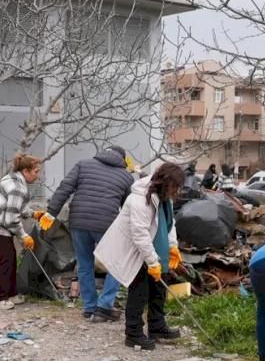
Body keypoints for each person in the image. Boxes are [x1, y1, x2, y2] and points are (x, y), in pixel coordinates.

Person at [95, 163, 185, 350]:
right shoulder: (139, 199)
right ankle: (133, 334)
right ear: (164, 182)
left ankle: (157, 326)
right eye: (174, 187)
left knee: (159, 289)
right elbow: (140, 234)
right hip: (138, 251)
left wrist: (172, 246)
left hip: (157, 250)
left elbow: (169, 224)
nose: (176, 191)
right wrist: (152, 262)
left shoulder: (164, 197)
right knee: (139, 292)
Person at [37, 146, 133, 321]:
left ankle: (89, 307)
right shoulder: (126, 176)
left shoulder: (83, 164)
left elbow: (64, 188)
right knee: (117, 264)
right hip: (106, 224)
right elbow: (129, 206)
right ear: (123, 159)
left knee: (85, 263)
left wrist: (51, 212)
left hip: (79, 221)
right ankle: (104, 307)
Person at [0, 154, 42, 310]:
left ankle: (12, 294)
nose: (38, 175)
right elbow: (11, 220)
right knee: (6, 260)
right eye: (36, 171)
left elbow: (16, 206)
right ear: (26, 171)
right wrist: (24, 236)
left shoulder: (12, 178)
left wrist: (33, 214)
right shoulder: (17, 188)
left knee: (10, 258)